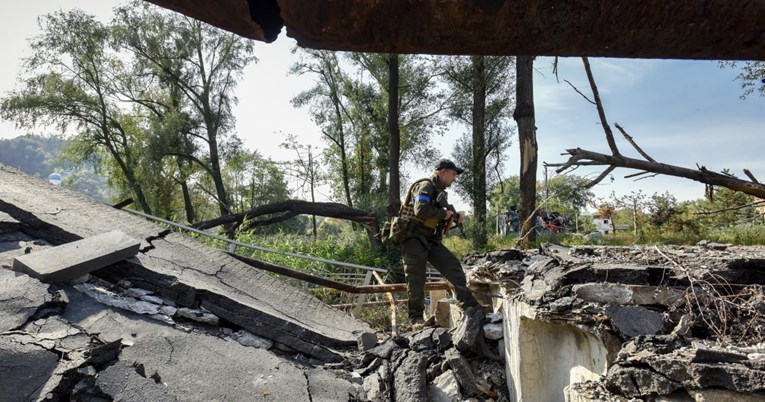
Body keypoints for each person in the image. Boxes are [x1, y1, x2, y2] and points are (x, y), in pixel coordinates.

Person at [399, 159, 479, 328]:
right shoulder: (425, 186)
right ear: (443, 172)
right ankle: (416, 319)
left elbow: (437, 218)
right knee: (416, 279)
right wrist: (444, 214)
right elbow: (420, 210)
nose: (455, 178)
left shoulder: (440, 192)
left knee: (453, 267)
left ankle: (470, 307)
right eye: (453, 174)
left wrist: (453, 218)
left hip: (430, 239)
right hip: (413, 238)